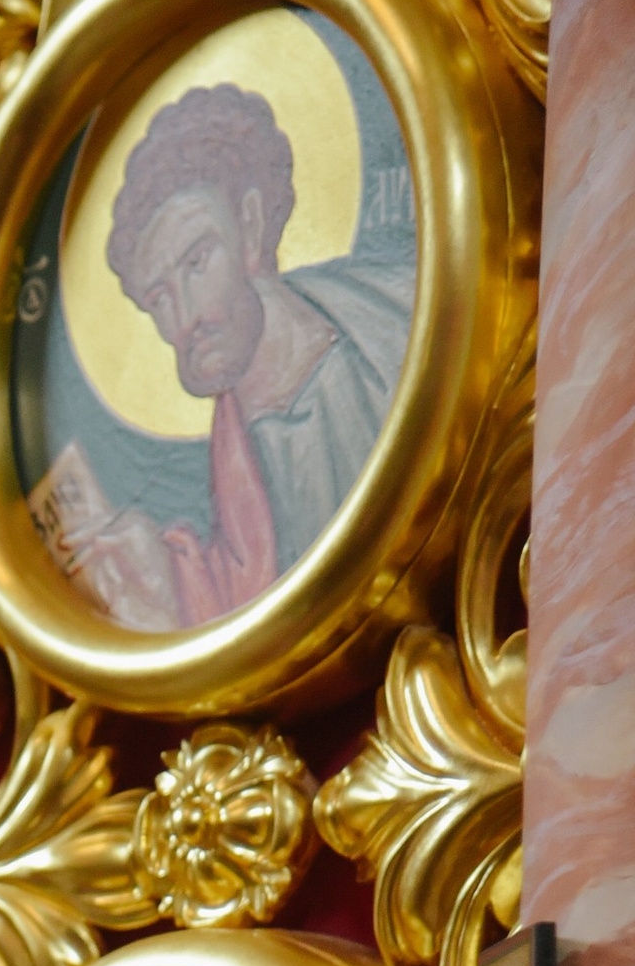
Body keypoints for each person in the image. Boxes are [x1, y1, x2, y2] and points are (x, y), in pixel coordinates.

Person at [48, 81, 411, 634]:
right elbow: (249, 591)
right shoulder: (235, 460)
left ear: (249, 225)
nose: (185, 317)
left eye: (197, 262)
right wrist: (165, 580)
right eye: (159, 299)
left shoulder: (396, 324)